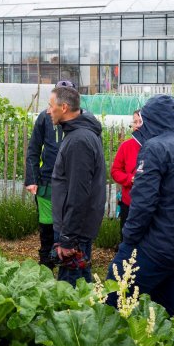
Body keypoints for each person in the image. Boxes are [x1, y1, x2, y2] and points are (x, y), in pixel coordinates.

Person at [108, 95, 174, 325]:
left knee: (113, 302)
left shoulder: (155, 148)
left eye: (144, 121)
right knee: (172, 315)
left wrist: (129, 241)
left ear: (154, 120)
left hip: (153, 248)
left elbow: (143, 203)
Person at [48, 85, 106, 285]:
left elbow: (79, 194)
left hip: (74, 232)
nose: (48, 111)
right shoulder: (79, 133)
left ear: (63, 108)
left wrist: (67, 239)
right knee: (82, 287)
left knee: (71, 296)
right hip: (74, 229)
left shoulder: (79, 140)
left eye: (50, 105)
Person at [25, 81, 66, 269]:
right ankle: (46, 266)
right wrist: (32, 179)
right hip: (47, 180)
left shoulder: (81, 120)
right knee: (47, 226)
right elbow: (33, 149)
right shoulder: (44, 118)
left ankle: (67, 266)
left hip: (70, 182)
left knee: (67, 226)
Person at [110, 109, 142, 235]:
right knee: (127, 238)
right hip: (129, 202)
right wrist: (130, 179)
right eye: (135, 122)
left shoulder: (155, 145)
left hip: (151, 204)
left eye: (141, 121)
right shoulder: (126, 146)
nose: (138, 125)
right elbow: (115, 171)